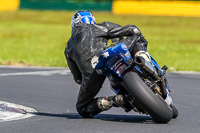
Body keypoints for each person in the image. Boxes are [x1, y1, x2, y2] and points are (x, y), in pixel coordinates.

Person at [64, 10, 150, 118]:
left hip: (93, 75)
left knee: (81, 108)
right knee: (136, 36)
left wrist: (84, 79)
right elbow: (132, 29)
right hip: (110, 55)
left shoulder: (68, 47)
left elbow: (77, 78)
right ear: (92, 20)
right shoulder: (99, 27)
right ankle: (143, 58)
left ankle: (112, 101)